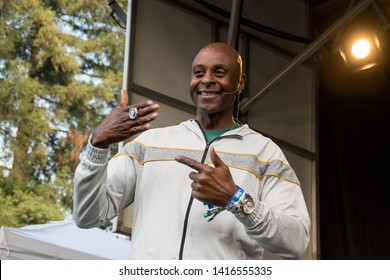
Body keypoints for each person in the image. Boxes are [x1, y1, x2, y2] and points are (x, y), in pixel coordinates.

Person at [73, 42, 311, 259]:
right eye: (199, 72)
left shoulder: (265, 152)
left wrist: (236, 200)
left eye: (219, 72)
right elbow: (87, 216)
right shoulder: (150, 143)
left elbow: (297, 240)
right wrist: (98, 146)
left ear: (240, 83)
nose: (206, 79)